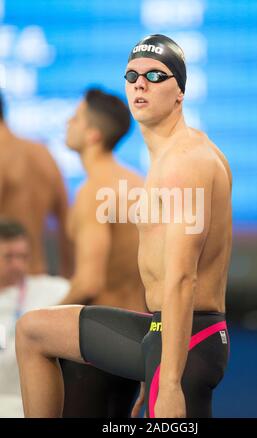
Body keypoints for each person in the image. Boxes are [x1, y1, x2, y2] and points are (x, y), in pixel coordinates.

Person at [15, 34, 232, 418]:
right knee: (33, 330)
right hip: (159, 331)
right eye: (132, 75)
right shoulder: (165, 159)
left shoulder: (186, 162)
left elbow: (182, 278)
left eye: (154, 75)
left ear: (180, 92)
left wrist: (167, 384)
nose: (140, 84)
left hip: (189, 340)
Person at [58, 88, 147, 417]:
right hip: (139, 335)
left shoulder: (93, 192)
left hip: (98, 340)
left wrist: (39, 315)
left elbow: (89, 282)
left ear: (93, 134)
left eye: (76, 116)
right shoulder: (139, 185)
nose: (68, 121)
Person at [0, 220, 69, 417]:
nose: (18, 265)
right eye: (9, 257)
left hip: (25, 406)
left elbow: (85, 292)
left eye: (23, 257)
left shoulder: (49, 289)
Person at [0, 93, 71, 276]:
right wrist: (68, 278)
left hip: (5, 282)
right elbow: (67, 223)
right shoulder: (41, 153)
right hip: (38, 276)